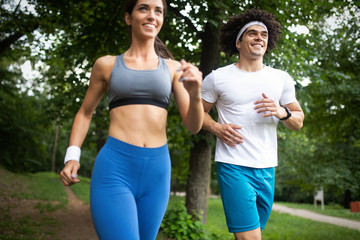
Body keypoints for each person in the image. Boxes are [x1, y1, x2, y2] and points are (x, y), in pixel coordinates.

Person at [59, 0, 204, 239]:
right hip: (115, 168)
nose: (152, 15)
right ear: (129, 17)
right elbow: (85, 113)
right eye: (143, 8)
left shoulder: (174, 68)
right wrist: (72, 157)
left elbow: (193, 126)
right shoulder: (106, 65)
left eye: (158, 11)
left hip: (158, 173)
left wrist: (196, 94)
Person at [201, 8, 304, 240]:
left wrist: (282, 111)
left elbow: (298, 120)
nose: (259, 37)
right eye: (252, 33)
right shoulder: (218, 78)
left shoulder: (281, 78)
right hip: (233, 164)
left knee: (252, 233)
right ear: (238, 42)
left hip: (267, 167)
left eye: (264, 34)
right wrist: (216, 128)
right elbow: (198, 113)